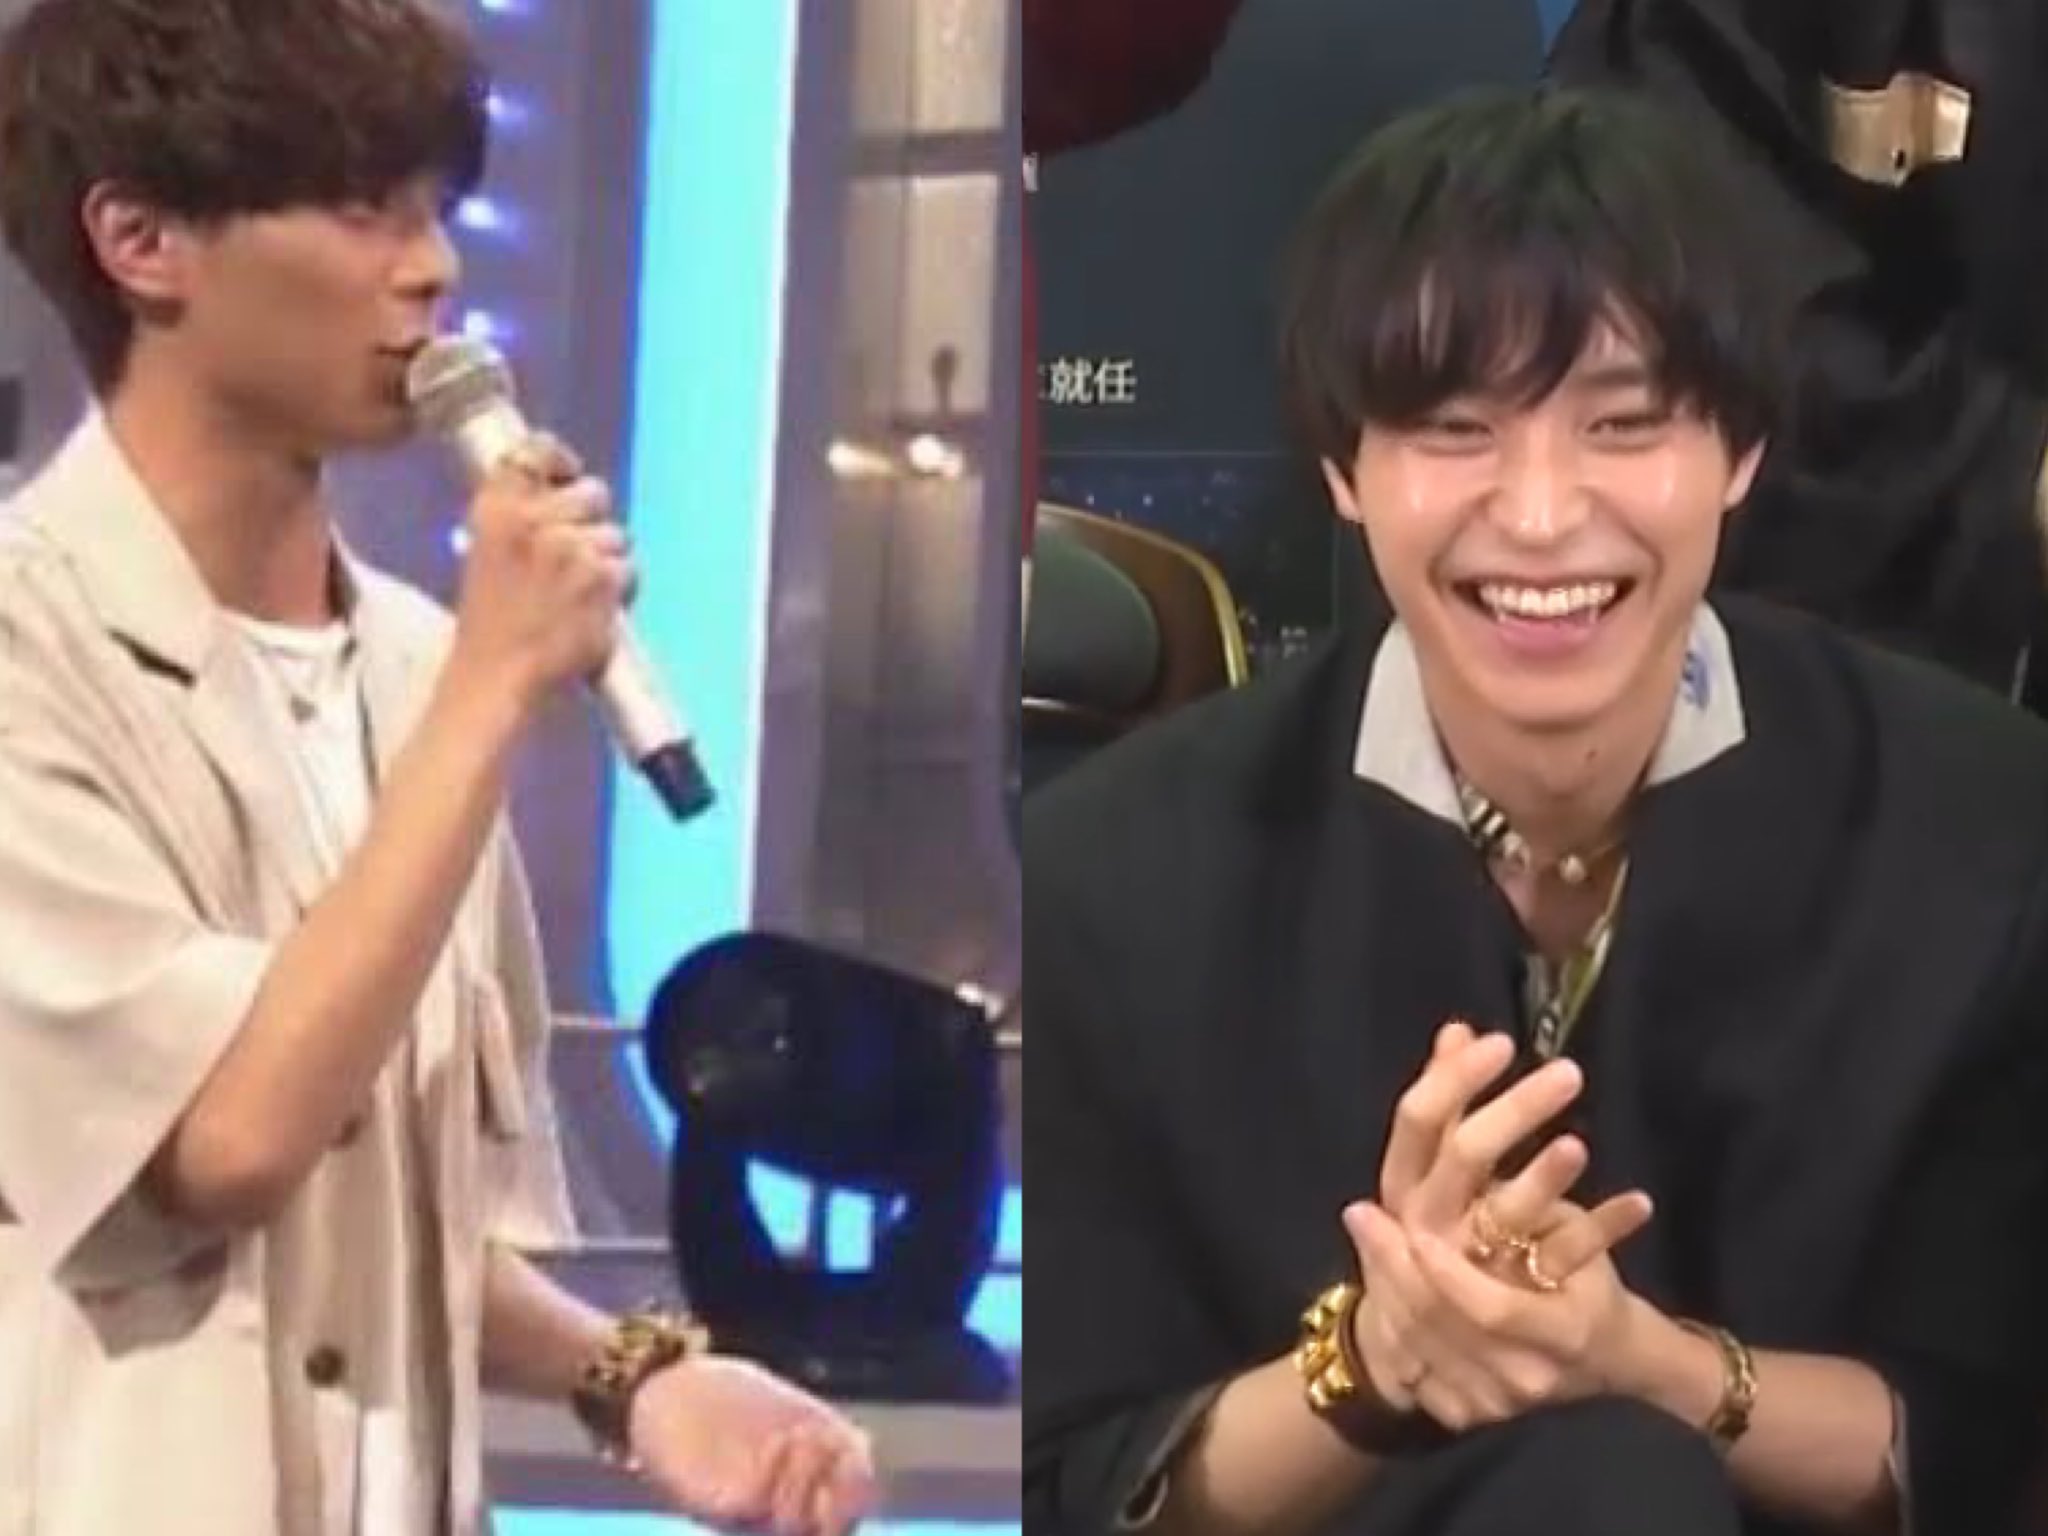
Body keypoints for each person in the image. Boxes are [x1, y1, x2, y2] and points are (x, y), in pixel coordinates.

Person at [1026, 84, 2048, 1536]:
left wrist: (1648, 1367)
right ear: (1344, 470)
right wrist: (1375, 1358)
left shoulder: (1986, 833)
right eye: (1456, 430)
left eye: (1623, 424)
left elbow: (1974, 1440)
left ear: (1742, 451)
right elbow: (1081, 1481)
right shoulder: (1108, 881)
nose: (1545, 514)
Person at [0, 3, 874, 1534]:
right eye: (363, 209)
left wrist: (635, 1376)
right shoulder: (33, 649)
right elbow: (226, 1145)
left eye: (438, 209)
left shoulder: (416, 664)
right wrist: (490, 693)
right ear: (142, 242)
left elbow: (393, 1230)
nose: (433, 269)